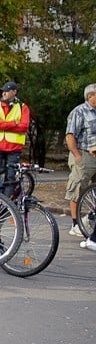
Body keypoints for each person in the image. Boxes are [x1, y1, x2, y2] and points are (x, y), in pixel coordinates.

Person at [65, 83, 96, 240]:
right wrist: (77, 156)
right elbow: (70, 135)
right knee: (77, 188)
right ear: (90, 96)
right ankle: (75, 224)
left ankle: (90, 218)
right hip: (84, 154)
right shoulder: (79, 111)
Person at [0, 81, 31, 186]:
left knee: (11, 176)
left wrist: (2, 124)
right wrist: (14, 123)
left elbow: (24, 127)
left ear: (14, 92)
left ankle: (8, 199)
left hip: (14, 147)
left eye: (7, 91)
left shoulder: (23, 107)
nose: (4, 93)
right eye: (3, 91)